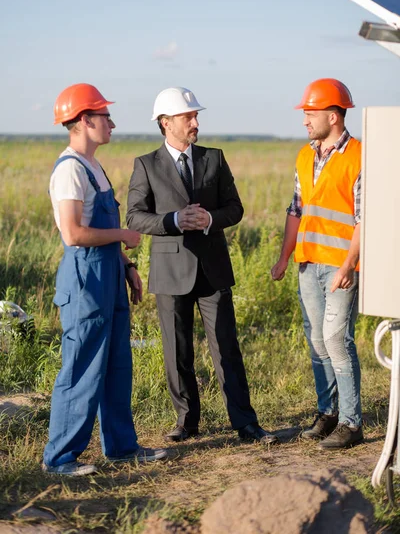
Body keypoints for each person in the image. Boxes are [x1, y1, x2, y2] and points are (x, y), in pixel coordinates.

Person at [126, 86, 278, 445]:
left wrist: (210, 219)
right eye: (187, 116)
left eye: (195, 116)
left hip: (213, 271)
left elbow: (235, 209)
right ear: (166, 123)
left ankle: (245, 423)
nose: (195, 122)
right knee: (177, 351)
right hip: (170, 272)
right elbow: (134, 217)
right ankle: (186, 421)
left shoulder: (215, 157)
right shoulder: (146, 165)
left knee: (227, 347)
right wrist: (175, 220)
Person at [43, 83, 167, 476]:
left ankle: (121, 447)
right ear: (83, 121)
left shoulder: (94, 165)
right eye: (104, 116)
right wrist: (123, 237)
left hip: (109, 276)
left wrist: (127, 268)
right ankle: (60, 458)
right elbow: (73, 234)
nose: (111, 123)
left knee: (116, 365)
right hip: (84, 283)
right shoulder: (69, 171)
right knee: (81, 367)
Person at [271, 78, 363, 450]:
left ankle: (351, 422)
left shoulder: (359, 155)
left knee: (336, 340)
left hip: (341, 267)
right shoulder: (305, 155)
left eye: (311, 113)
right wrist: (283, 256)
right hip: (308, 263)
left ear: (334, 115)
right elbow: (297, 209)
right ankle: (327, 413)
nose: (306, 120)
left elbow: (364, 218)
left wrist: (349, 265)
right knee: (317, 341)